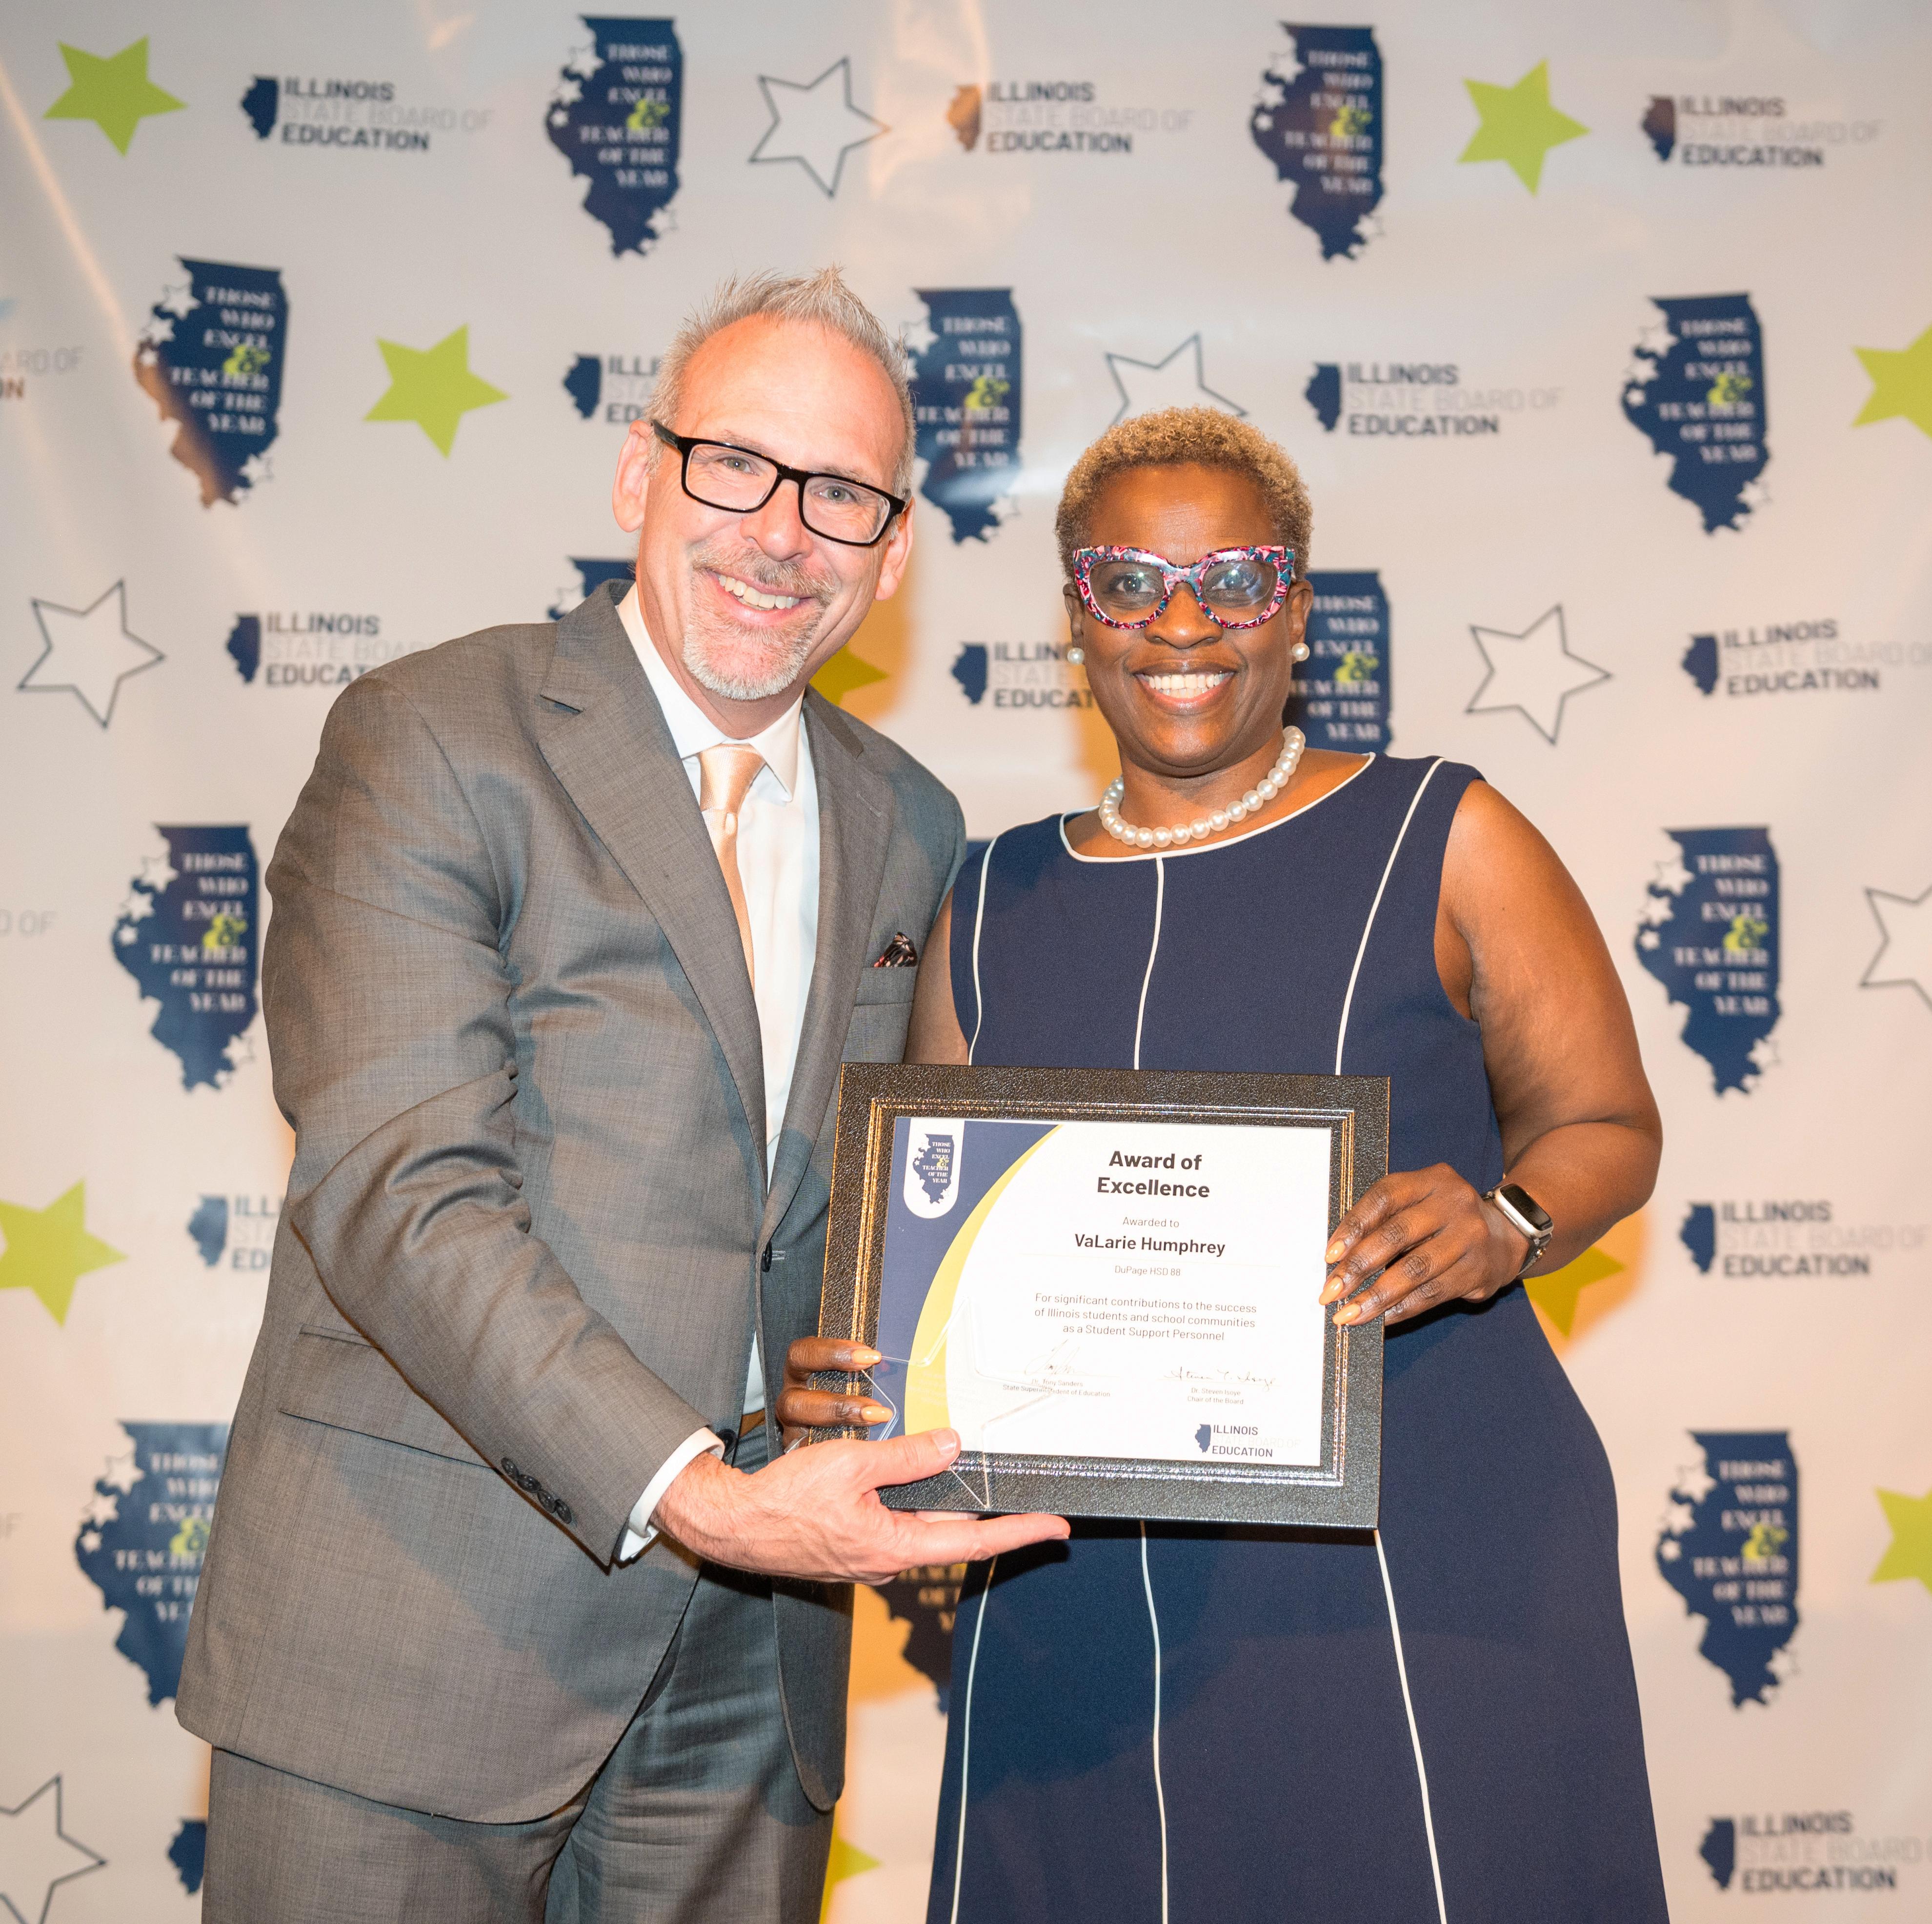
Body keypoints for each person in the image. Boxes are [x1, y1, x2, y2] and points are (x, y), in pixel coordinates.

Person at [177, 267, 1065, 1924]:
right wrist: (700, 1492)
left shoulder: (913, 823)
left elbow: (884, 1198)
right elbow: (399, 1192)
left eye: (843, 494)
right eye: (735, 465)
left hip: (752, 1678)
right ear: (638, 473)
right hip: (414, 1633)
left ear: (893, 555)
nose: (780, 533)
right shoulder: (431, 735)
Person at [781, 407, 1670, 1922]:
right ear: (1077, 615)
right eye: (1129, 582)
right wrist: (865, 1376)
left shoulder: (1443, 832)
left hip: (1421, 1552)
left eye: (1236, 580)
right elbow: (932, 1250)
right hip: (1070, 1597)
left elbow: (1607, 1125)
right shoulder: (990, 900)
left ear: (1298, 605)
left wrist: (1505, 1220)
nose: (1182, 625)